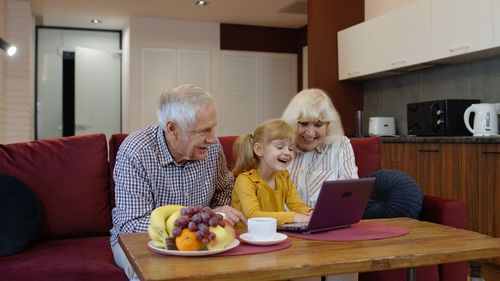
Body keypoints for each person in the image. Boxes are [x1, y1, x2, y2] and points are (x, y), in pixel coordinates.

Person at [110, 84, 246, 280]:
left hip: (198, 235)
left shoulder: (212, 149)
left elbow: (224, 187)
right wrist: (202, 218)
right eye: (203, 131)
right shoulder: (136, 152)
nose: (213, 138)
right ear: (172, 128)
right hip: (143, 241)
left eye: (213, 128)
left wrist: (217, 217)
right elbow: (132, 225)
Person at [281, 88, 359, 281]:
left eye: (318, 124)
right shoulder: (281, 149)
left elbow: (352, 193)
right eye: (303, 124)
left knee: (344, 270)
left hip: (335, 233)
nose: (310, 132)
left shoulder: (341, 145)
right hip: (291, 233)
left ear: (328, 125)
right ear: (292, 123)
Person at [231, 119, 312, 227]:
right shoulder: (245, 180)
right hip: (246, 237)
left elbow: (297, 205)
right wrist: (293, 216)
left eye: (291, 148)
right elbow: (253, 216)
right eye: (279, 147)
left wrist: (311, 213)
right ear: (259, 150)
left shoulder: (284, 176)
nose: (287, 152)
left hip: (273, 235)